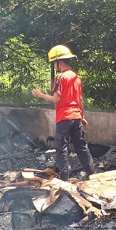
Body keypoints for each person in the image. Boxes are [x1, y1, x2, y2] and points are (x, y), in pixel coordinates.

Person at [31, 45, 95, 180]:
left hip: (64, 118)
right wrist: (82, 117)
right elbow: (80, 99)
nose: (54, 66)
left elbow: (56, 99)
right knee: (81, 146)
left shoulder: (60, 77)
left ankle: (64, 179)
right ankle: (91, 173)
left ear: (59, 62)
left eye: (54, 63)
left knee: (61, 148)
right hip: (76, 116)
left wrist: (39, 94)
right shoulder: (76, 78)